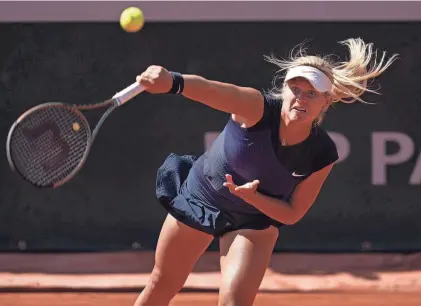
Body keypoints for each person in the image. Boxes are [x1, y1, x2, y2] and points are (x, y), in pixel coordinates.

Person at [133, 38, 398, 306]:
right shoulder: (255, 107)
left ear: (326, 102)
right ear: (284, 90)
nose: (300, 98)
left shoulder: (322, 152)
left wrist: (254, 198)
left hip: (253, 221)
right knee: (162, 283)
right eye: (295, 89)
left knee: (235, 302)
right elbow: (212, 90)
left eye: (311, 94)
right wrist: (173, 82)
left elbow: (293, 212)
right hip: (201, 196)